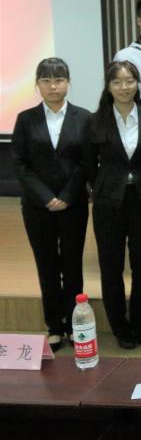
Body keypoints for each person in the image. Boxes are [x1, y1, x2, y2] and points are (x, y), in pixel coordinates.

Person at [11, 58, 92, 351]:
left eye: (58, 80)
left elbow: (86, 162)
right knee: (46, 264)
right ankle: (54, 325)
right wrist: (46, 197)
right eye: (46, 80)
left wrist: (67, 195)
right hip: (37, 206)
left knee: (72, 264)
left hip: (74, 204)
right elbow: (20, 164)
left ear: (68, 82)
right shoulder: (25, 119)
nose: (53, 86)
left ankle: (74, 323)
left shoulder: (84, 118)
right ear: (37, 84)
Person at [83, 60, 141, 350]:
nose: (124, 87)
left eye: (129, 81)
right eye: (117, 82)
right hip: (108, 202)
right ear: (108, 86)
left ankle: (140, 325)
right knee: (111, 265)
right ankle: (119, 327)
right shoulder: (95, 121)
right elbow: (89, 164)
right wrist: (104, 185)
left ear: (138, 84)